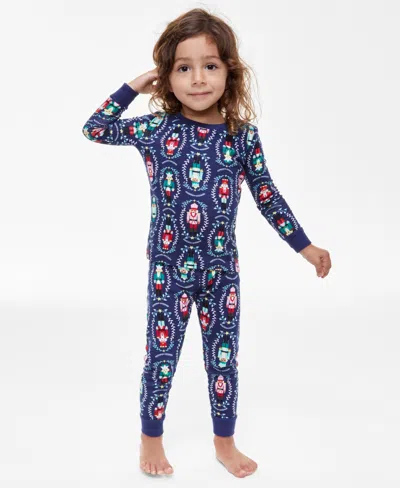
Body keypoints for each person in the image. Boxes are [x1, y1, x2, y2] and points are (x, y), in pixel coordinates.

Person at [81, 7, 331, 479]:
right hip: (168, 270)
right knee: (162, 357)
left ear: (229, 72)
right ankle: (150, 439)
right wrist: (134, 86)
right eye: (183, 67)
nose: (198, 78)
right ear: (166, 77)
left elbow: (267, 196)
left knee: (223, 359)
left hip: (221, 272)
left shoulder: (241, 137)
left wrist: (306, 247)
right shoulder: (157, 130)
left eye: (210, 65)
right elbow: (95, 129)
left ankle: (224, 442)